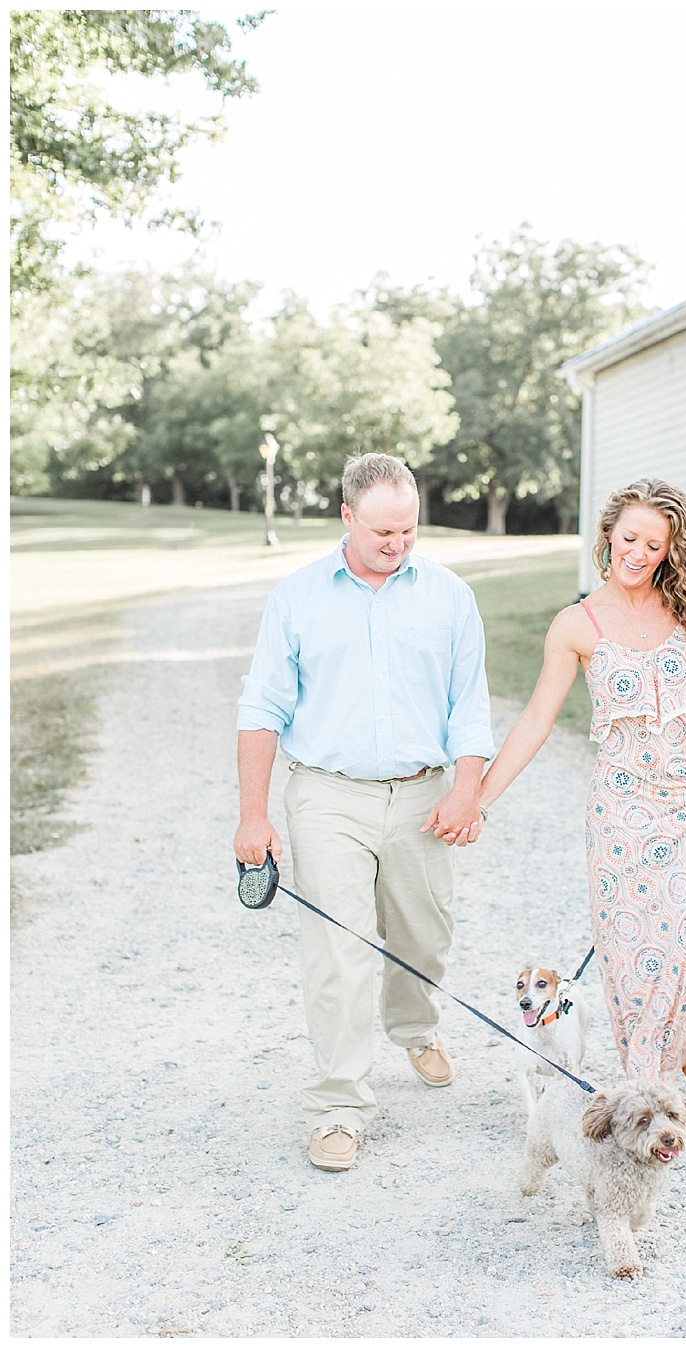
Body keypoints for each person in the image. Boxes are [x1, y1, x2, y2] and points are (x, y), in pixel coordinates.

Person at [234, 452, 493, 1173]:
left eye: (408, 530)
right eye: (382, 530)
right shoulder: (296, 597)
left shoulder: (449, 596)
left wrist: (466, 790)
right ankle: (338, 1106)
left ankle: (415, 1024)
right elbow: (262, 708)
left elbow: (469, 708)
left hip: (422, 792)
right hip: (326, 795)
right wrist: (253, 814)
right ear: (346, 517)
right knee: (338, 954)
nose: (396, 543)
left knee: (424, 935)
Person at [477, 479, 686, 1085]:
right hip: (621, 809)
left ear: (670, 550)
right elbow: (538, 720)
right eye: (630, 538)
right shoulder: (577, 624)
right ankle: (647, 1085)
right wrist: (479, 800)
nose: (639, 552)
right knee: (631, 958)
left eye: (654, 543)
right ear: (608, 537)